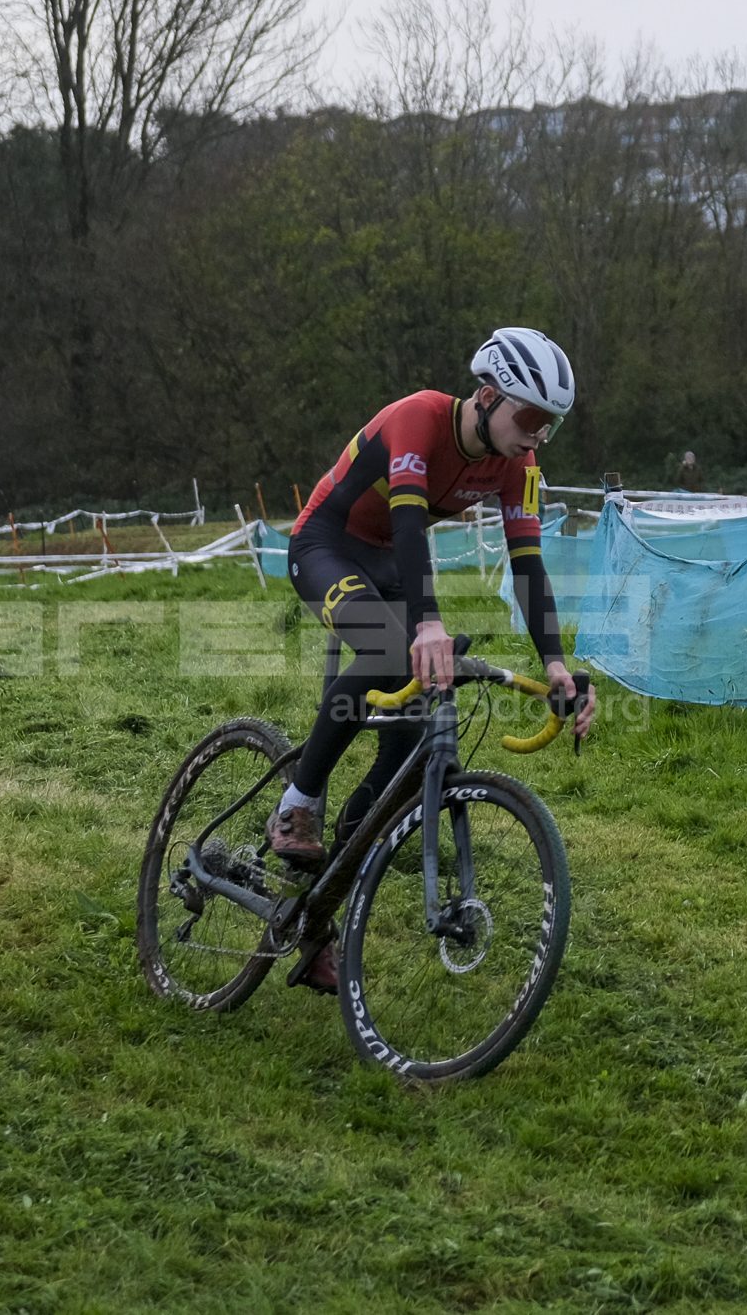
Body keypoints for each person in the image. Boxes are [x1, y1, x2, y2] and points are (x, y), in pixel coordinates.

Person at [272, 326, 597, 994]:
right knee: (395, 647)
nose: (537, 435)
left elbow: (528, 565)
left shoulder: (520, 466)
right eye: (530, 418)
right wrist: (426, 624)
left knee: (408, 745)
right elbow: (409, 523)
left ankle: (322, 900)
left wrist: (557, 665)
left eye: (551, 425)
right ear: (488, 396)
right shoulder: (419, 418)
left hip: (387, 564)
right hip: (326, 545)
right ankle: (296, 803)